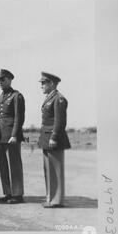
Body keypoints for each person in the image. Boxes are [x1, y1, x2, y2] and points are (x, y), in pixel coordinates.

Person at [0, 69, 25, 204]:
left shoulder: (17, 96)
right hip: (1, 136)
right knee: (3, 166)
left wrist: (15, 135)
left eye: (2, 79)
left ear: (10, 79)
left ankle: (18, 194)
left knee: (14, 165)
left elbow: (19, 118)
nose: (0, 82)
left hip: (11, 136)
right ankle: (8, 192)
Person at [38, 72, 71, 208]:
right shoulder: (50, 98)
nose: (41, 86)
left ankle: (56, 200)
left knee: (55, 170)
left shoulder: (59, 99)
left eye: (43, 83)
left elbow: (60, 121)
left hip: (53, 138)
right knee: (48, 170)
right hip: (47, 137)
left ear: (52, 83)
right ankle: (50, 197)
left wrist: (54, 137)